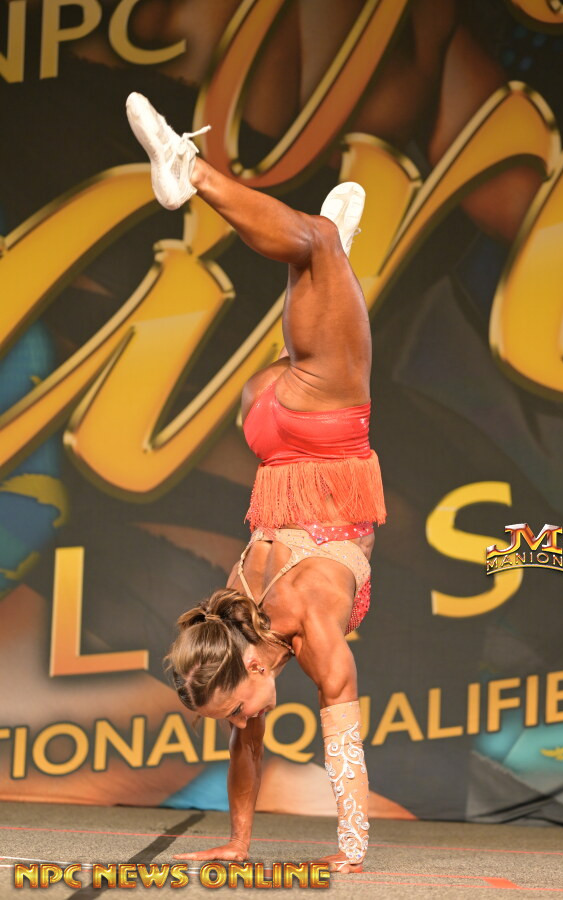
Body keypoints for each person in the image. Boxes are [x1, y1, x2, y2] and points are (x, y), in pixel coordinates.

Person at [126, 92, 386, 874]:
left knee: (314, 246)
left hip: (320, 429)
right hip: (267, 421)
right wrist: (238, 841)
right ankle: (335, 251)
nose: (241, 722)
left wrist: (352, 849)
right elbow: (247, 749)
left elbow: (344, 740)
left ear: (247, 667)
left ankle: (190, 171)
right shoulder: (240, 622)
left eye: (235, 708)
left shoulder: (304, 624)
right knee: (314, 261)